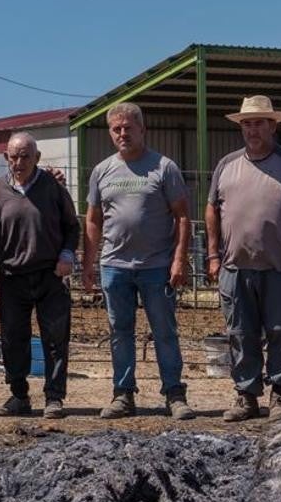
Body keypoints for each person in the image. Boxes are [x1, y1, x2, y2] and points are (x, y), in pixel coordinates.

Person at [206, 95, 281, 422]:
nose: (252, 129)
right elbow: (212, 208)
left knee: (280, 329)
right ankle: (246, 396)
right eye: (247, 123)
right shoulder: (226, 165)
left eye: (259, 122)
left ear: (273, 126)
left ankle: (279, 394)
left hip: (279, 264)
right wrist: (213, 254)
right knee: (240, 332)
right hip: (235, 263)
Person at [81, 102, 196, 420]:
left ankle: (174, 393)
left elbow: (183, 217)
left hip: (156, 265)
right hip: (114, 265)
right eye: (116, 129)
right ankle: (123, 394)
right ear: (110, 133)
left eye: (128, 127)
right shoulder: (102, 171)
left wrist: (178, 260)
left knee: (164, 331)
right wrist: (88, 264)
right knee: (120, 331)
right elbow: (92, 220)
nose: (122, 133)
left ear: (142, 130)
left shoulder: (163, 167)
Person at [0, 132, 80, 419]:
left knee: (56, 338)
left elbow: (72, 227)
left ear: (37, 158)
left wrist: (67, 255)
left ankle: (54, 397)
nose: (19, 162)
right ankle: (18, 394)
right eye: (14, 156)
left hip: (50, 275)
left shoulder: (53, 187)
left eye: (25, 156)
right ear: (5, 158)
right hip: (12, 276)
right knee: (12, 338)